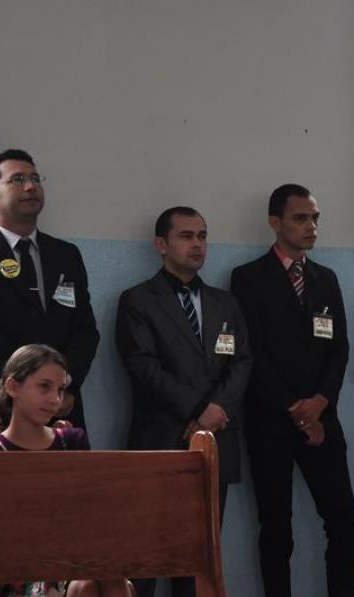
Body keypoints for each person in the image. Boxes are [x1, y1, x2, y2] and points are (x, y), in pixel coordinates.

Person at [230, 183, 354, 597]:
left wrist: (319, 403)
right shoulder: (248, 278)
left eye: (315, 218)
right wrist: (296, 410)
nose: (311, 227)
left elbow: (339, 349)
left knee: (344, 523)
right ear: (275, 222)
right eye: (300, 218)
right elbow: (253, 353)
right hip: (271, 421)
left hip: (322, 417)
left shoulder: (326, 279)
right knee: (276, 530)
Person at [115, 206, 252, 597]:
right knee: (146, 554)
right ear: (161, 245)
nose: (197, 245)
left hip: (216, 441)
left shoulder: (226, 303)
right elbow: (143, 367)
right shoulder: (138, 300)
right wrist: (198, 410)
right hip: (159, 440)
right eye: (186, 236)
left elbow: (242, 361)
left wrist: (215, 412)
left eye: (202, 236)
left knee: (197, 558)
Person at [0, 149, 100, 437]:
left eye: (35, 179)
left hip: (61, 409)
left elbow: (84, 330)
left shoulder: (66, 255)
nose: (30, 186)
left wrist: (61, 385)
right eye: (17, 179)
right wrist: (33, 387)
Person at [0, 344, 131, 597]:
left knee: (112, 580)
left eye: (60, 390)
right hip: (23, 567)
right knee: (87, 586)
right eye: (44, 387)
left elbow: (91, 507)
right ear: (13, 387)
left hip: (77, 555)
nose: (55, 399)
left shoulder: (72, 440)